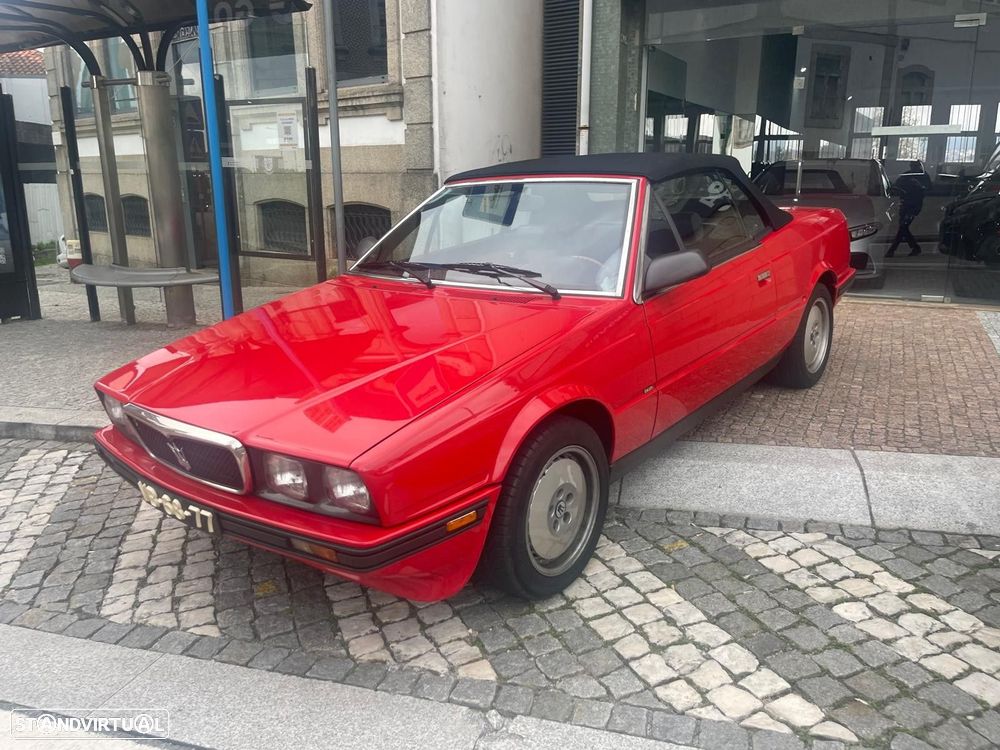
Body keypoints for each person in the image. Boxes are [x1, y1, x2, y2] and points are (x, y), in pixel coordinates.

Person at [887, 160, 932, 257]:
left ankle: (893, 249)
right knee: (903, 227)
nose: (914, 168)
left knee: (903, 226)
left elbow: (929, 189)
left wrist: (919, 186)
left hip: (914, 205)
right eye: (913, 166)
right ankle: (914, 247)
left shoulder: (923, 176)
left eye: (916, 166)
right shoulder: (906, 176)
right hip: (905, 204)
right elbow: (895, 186)